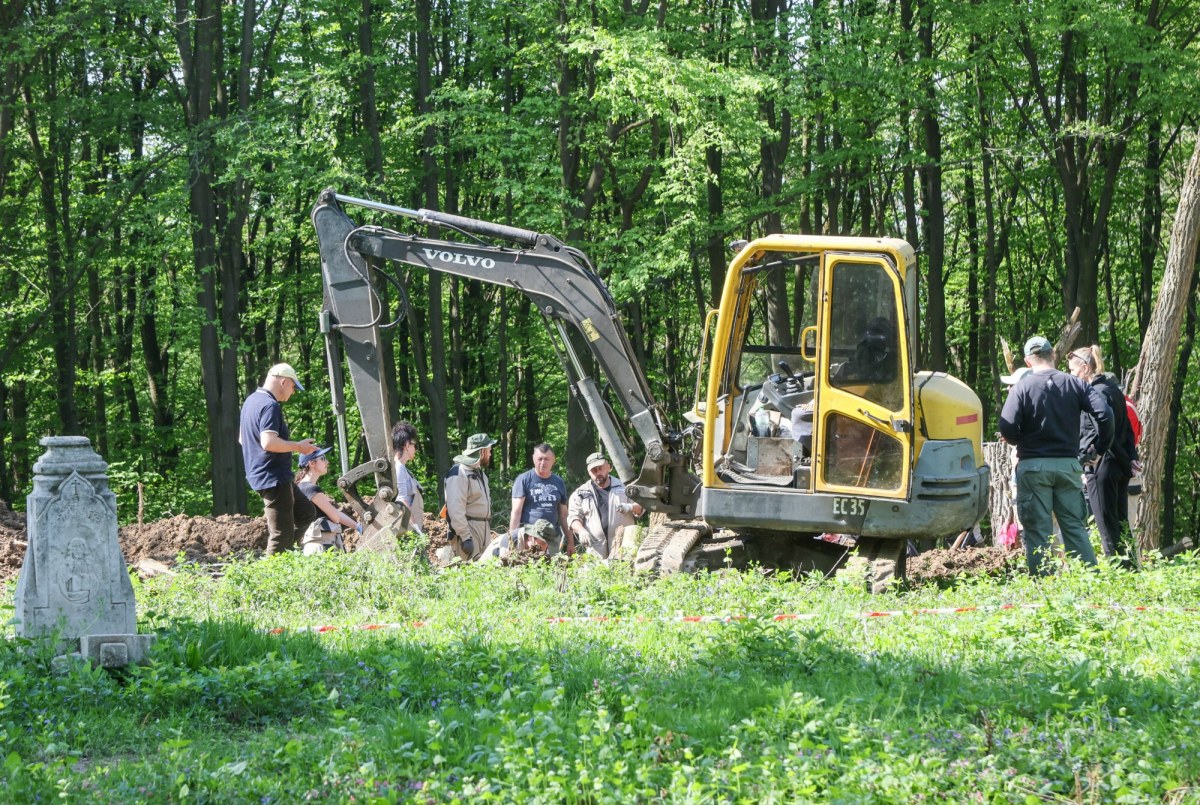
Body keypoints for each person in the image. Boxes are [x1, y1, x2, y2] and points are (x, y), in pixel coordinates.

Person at [999, 336, 1113, 576]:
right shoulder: (1076, 384)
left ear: (1028, 362)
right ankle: (1090, 585)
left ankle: (1044, 589)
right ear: (1054, 356)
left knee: (1037, 530)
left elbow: (1007, 427)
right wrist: (1100, 448)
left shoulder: (1021, 388)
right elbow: (1105, 415)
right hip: (1068, 467)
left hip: (1032, 467)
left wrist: (1022, 442)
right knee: (1074, 527)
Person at [1068, 345, 1139, 569]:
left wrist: (1094, 453)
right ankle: (1131, 569)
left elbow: (1103, 430)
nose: (1071, 376)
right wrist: (1130, 456)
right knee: (1120, 521)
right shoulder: (1112, 388)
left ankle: (1119, 574)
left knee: (1107, 525)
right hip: (1118, 466)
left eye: (1073, 371)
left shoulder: (1094, 393)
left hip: (1103, 466)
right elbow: (1127, 427)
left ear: (1085, 367)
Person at [239, 363, 318, 554]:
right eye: (293, 387)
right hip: (273, 478)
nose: (293, 392)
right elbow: (268, 442)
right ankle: (271, 576)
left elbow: (242, 438)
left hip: (273, 476)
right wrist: (299, 446)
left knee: (306, 513)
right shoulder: (270, 405)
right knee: (281, 534)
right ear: (284, 381)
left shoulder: (251, 401)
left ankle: (286, 553)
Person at [567, 452, 644, 560]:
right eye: (594, 470)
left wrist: (630, 507)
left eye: (600, 468)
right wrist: (581, 531)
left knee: (625, 574)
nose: (598, 472)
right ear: (589, 472)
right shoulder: (580, 493)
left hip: (624, 546)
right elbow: (573, 518)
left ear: (608, 467)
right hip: (596, 550)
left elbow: (641, 508)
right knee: (598, 576)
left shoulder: (626, 487)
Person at [293, 446, 361, 555]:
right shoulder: (311, 489)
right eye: (323, 458)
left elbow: (335, 513)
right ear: (311, 463)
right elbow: (335, 516)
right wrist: (358, 527)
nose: (327, 462)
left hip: (315, 545)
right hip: (320, 546)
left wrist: (357, 526)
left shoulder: (302, 487)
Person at [509, 443, 570, 555]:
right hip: (529, 538)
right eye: (539, 459)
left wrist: (570, 542)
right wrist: (513, 539)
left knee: (551, 569)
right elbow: (516, 512)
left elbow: (564, 515)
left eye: (546, 459)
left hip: (552, 538)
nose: (543, 463)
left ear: (553, 460)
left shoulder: (559, 482)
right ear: (533, 459)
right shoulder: (523, 480)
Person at [444, 432, 496, 561]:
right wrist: (466, 537)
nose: (490, 454)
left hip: (483, 528)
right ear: (482, 452)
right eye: (489, 451)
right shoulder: (459, 473)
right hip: (470, 529)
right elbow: (455, 509)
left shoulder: (480, 474)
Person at [391, 421, 426, 534]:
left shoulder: (404, 469)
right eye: (414, 445)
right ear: (407, 445)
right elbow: (402, 499)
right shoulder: (399, 468)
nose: (415, 449)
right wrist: (414, 525)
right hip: (408, 528)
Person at [478, 518, 556, 563]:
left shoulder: (542, 547)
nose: (545, 547)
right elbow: (504, 569)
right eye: (542, 542)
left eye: (547, 544)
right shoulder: (511, 541)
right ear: (530, 537)